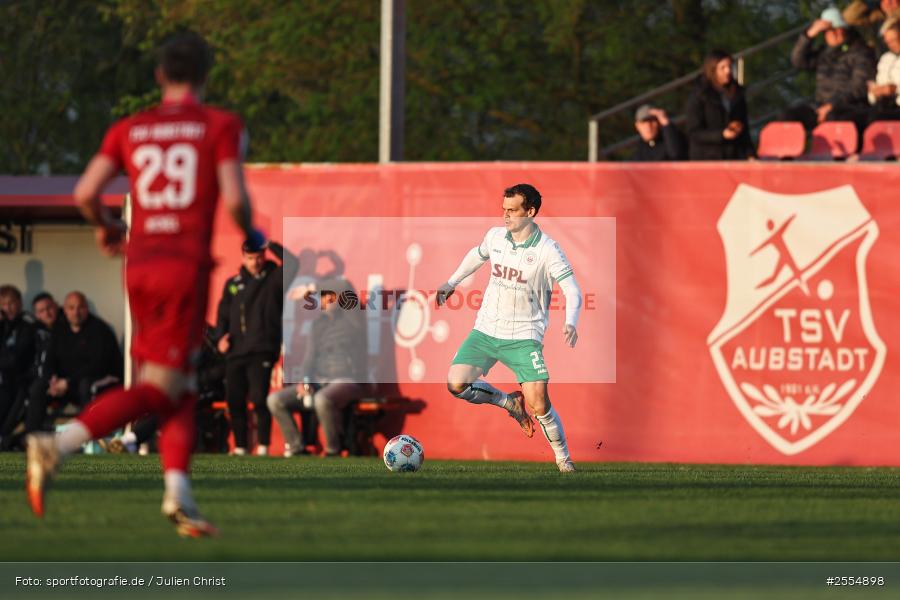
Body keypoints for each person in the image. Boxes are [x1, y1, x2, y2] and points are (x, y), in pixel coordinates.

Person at [25, 31, 261, 538]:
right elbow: (237, 200)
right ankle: (57, 444)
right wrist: (250, 231)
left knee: (181, 385)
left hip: (140, 263)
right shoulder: (220, 124)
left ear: (159, 76)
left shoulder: (130, 127)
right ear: (205, 75)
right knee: (161, 386)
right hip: (182, 267)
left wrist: (109, 228)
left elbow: (86, 191)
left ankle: (180, 497)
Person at [436, 184, 582, 472]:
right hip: (486, 330)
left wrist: (570, 322)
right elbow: (477, 255)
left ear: (531, 212)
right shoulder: (495, 237)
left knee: (539, 405)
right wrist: (451, 282)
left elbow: (573, 290)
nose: (506, 216)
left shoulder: (547, 249)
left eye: (513, 211)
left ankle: (564, 461)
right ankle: (509, 403)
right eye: (503, 210)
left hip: (524, 337)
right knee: (456, 383)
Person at [215, 239, 298, 456]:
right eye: (250, 258)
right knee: (234, 401)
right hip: (235, 351)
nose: (255, 262)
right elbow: (223, 314)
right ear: (243, 257)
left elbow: (293, 263)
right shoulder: (233, 283)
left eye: (259, 257)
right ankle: (241, 446)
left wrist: (268, 243)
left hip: (262, 348)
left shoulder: (273, 278)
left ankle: (263, 446)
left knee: (259, 398)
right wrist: (219, 338)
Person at [267, 277, 367, 457]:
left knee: (322, 399)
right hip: (320, 380)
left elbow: (344, 285)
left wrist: (310, 288)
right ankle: (296, 447)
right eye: (322, 297)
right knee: (275, 400)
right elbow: (309, 358)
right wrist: (305, 381)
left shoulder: (352, 318)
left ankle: (332, 450)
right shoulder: (317, 324)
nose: (326, 301)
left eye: (330, 296)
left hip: (346, 380)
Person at [24, 291, 122, 434]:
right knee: (39, 386)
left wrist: (68, 382)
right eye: (71, 308)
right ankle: (32, 438)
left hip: (99, 382)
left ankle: (88, 436)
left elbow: (98, 366)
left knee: (86, 385)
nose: (76, 312)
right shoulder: (59, 328)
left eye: (80, 307)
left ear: (86, 308)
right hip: (66, 385)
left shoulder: (99, 330)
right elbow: (49, 359)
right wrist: (52, 380)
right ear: (64, 309)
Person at [787, 7, 876, 133]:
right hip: (820, 106)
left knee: (834, 118)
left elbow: (859, 87)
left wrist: (833, 105)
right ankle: (788, 153)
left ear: (845, 30)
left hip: (850, 107)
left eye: (838, 29)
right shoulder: (824, 53)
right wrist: (809, 35)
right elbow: (798, 61)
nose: (834, 33)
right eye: (828, 31)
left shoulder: (861, 52)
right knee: (789, 117)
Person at [684, 50, 754, 160]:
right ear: (713, 70)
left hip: (734, 156)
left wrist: (750, 154)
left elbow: (744, 127)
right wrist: (721, 135)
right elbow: (694, 132)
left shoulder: (737, 93)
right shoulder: (699, 95)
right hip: (707, 158)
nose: (728, 71)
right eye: (723, 67)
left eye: (730, 66)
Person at [0, 285, 36, 447]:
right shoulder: (2, 326)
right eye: (3, 304)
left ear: (20, 303)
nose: (7, 308)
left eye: (11, 303)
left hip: (21, 380)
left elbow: (17, 359)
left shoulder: (27, 325)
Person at [868, 18, 900, 121]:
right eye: (887, 42)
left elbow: (893, 88)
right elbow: (874, 89)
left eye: (893, 40)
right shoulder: (885, 58)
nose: (890, 44)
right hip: (882, 106)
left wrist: (895, 89)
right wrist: (874, 92)